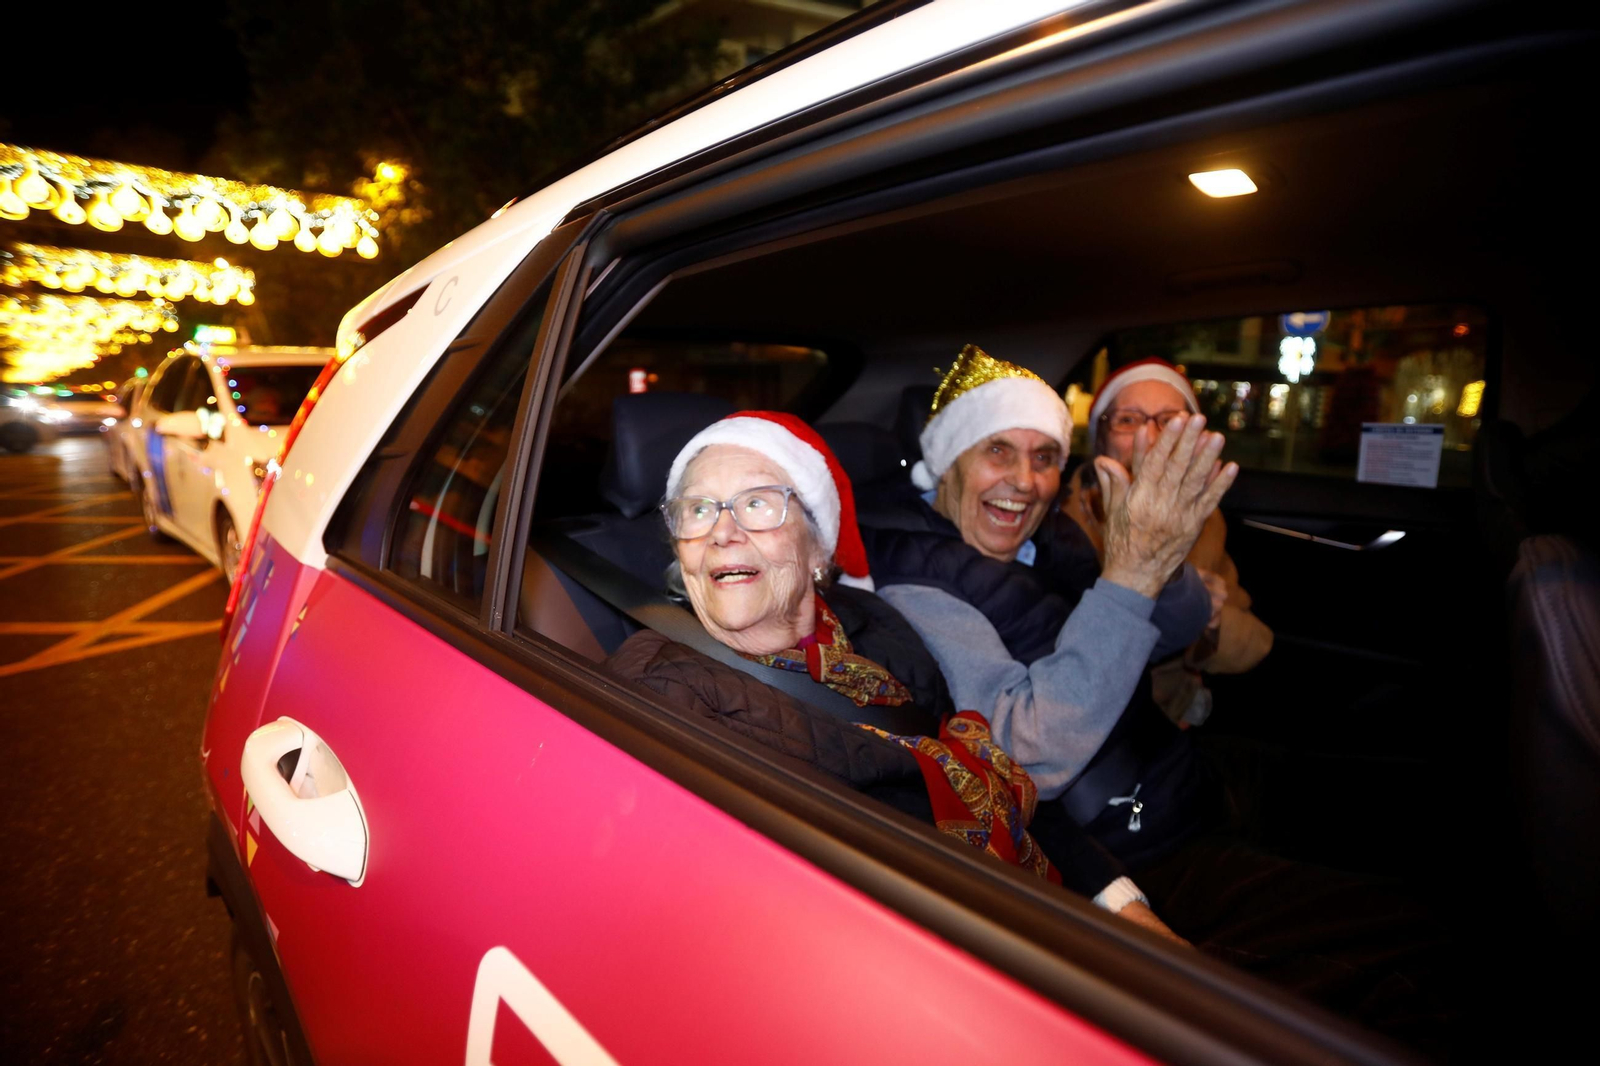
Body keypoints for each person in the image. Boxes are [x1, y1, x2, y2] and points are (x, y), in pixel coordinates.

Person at [862, 349, 1452, 1052]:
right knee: (1413, 949)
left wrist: (1155, 561)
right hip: (1126, 846)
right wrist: (1133, 572)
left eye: (1046, 457)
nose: (1025, 482)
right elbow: (1023, 752)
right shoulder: (917, 586)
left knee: (1421, 820)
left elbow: (1167, 630)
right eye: (998, 451)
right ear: (950, 461)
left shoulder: (1045, 540)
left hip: (1177, 773)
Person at [605, 410, 1182, 939]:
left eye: (757, 504)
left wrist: (1121, 905)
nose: (722, 532)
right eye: (698, 510)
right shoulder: (664, 690)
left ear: (816, 548)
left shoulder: (875, 623)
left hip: (1032, 895)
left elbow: (985, 770)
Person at [1062, 359, 1273, 726]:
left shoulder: (1204, 521)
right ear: (1101, 439)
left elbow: (1253, 644)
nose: (1150, 438)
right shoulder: (1055, 517)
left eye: (1170, 422)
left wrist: (1210, 621)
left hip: (1162, 720)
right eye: (1128, 420)